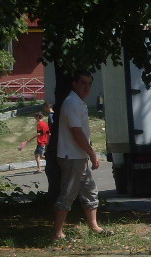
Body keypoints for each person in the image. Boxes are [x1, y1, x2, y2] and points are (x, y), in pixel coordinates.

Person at [52, 71, 103, 240]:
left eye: (89, 84)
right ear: (74, 83)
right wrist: (92, 153)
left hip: (78, 156)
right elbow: (77, 132)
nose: (86, 87)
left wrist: (87, 154)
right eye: (83, 83)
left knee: (89, 190)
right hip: (71, 156)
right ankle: (58, 233)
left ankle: (94, 227)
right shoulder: (72, 102)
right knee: (68, 194)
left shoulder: (78, 102)